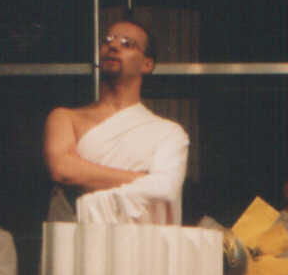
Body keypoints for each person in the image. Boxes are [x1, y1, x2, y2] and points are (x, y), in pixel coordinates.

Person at [43, 19, 188, 224]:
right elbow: (64, 170)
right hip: (77, 235)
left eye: (127, 43)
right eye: (107, 40)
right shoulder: (65, 117)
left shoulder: (169, 133)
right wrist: (142, 179)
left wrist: (88, 174)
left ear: (147, 64)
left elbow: (164, 189)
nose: (113, 46)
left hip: (132, 238)